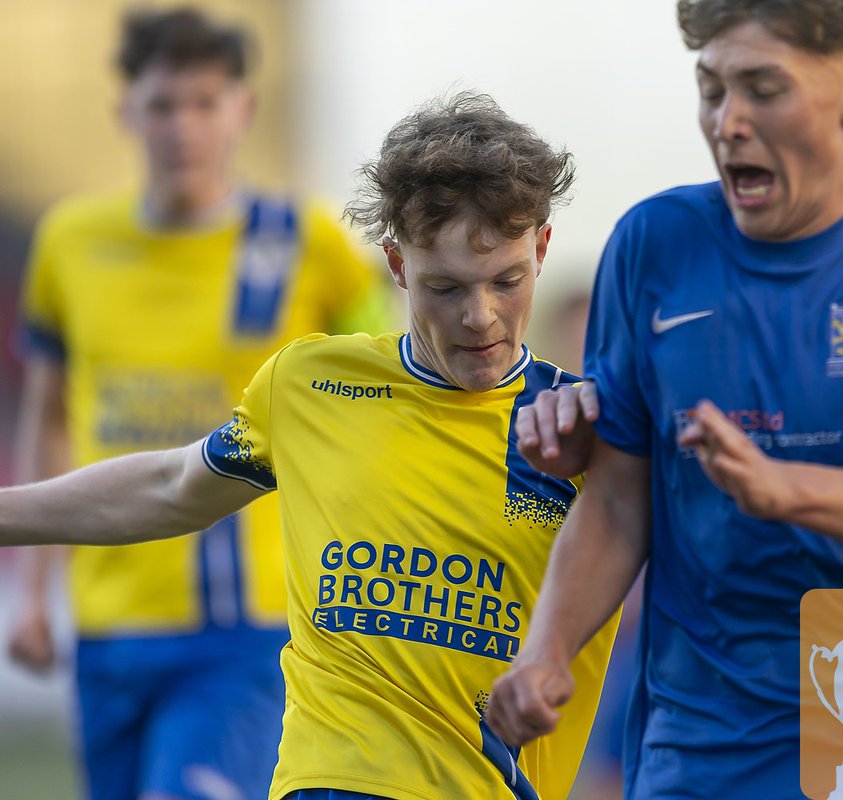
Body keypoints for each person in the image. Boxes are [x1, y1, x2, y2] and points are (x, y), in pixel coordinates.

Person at [487, 1, 843, 798]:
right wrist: (546, 653)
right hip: (701, 752)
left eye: (763, 88)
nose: (728, 122)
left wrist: (786, 489)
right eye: (711, 90)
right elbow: (615, 500)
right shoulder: (652, 246)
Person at [2, 90, 617, 800]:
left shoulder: (589, 431)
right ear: (395, 263)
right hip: (326, 782)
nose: (479, 317)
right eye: (444, 287)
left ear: (541, 248)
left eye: (506, 281)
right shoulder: (311, 383)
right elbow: (171, 488)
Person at [7, 7, 388, 799]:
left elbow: (388, 397)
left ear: (242, 110)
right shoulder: (68, 242)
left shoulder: (308, 241)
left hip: (250, 627)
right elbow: (46, 417)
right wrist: (33, 591)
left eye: (205, 103)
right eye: (163, 105)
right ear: (125, 112)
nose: (183, 127)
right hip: (110, 623)